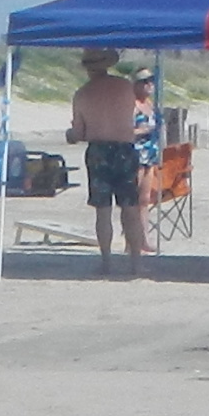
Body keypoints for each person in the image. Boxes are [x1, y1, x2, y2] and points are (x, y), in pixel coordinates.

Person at [68, 47, 151, 277]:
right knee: (130, 208)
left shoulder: (82, 94)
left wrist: (70, 134)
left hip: (99, 151)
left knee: (102, 210)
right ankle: (136, 263)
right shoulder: (124, 87)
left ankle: (106, 262)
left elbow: (79, 133)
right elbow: (131, 116)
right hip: (124, 148)